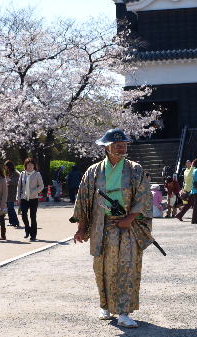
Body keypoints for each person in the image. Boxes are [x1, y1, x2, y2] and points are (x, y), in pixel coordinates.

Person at [71, 128, 153, 329]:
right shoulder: (93, 171)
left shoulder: (135, 169)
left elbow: (144, 197)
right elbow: (84, 201)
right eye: (116, 144)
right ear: (106, 147)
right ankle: (105, 305)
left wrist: (131, 218)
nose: (121, 146)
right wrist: (82, 229)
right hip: (101, 226)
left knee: (126, 267)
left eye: (123, 143)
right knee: (102, 268)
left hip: (127, 226)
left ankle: (124, 312)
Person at [17, 158, 44, 241]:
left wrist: (34, 191)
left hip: (33, 198)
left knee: (33, 217)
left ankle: (33, 235)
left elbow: (41, 186)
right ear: (25, 165)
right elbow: (19, 186)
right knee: (24, 215)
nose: (30, 166)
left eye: (31, 164)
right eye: (28, 164)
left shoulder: (37, 174)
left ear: (34, 165)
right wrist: (18, 197)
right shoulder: (22, 174)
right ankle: (27, 229)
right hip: (24, 198)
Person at [4, 160, 20, 228]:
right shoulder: (8, 172)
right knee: (9, 208)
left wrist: (9, 181)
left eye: (6, 166)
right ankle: (11, 221)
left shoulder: (16, 173)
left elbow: (16, 182)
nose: (5, 168)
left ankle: (16, 221)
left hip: (12, 192)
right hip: (7, 192)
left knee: (11, 208)